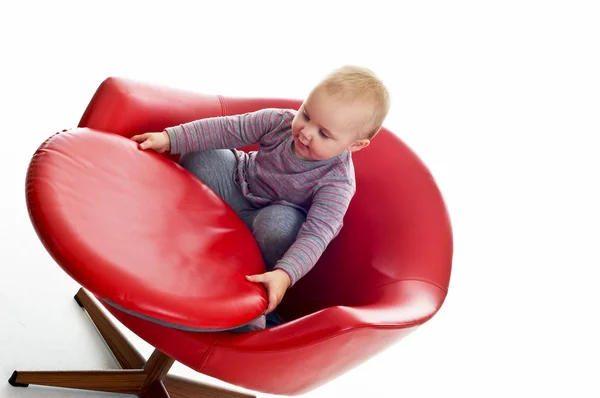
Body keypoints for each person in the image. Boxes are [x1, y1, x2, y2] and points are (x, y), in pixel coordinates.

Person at [130, 65, 390, 332]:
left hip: (266, 218)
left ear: (354, 145)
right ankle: (185, 228)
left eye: (324, 133)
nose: (306, 131)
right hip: (235, 185)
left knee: (281, 228)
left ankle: (252, 290)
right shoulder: (279, 122)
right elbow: (227, 129)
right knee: (202, 155)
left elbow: (317, 234)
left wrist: (284, 275)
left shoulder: (338, 181)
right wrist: (170, 138)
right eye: (306, 114)